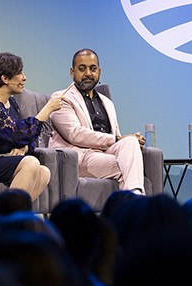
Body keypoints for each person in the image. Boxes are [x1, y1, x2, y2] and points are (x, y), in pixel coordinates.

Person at [0, 52, 63, 201]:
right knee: (31, 162)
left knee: (44, 172)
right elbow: (18, 134)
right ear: (5, 78)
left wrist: (24, 148)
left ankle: (14, 216)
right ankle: (7, 217)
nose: (24, 78)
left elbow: (27, 138)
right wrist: (47, 109)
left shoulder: (11, 103)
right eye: (19, 73)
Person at [48, 49, 146, 194]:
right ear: (72, 72)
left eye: (93, 69)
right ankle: (136, 203)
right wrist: (117, 139)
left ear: (99, 72)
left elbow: (116, 137)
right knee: (128, 168)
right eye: (82, 68)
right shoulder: (61, 98)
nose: (88, 73)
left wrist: (130, 139)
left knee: (130, 143)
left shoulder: (107, 102)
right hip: (77, 157)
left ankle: (133, 201)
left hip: (105, 153)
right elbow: (75, 134)